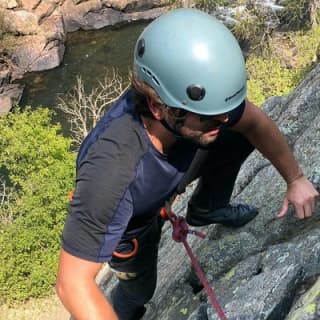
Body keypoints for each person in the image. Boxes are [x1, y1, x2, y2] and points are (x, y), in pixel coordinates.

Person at [56, 8, 319, 320]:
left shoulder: (192, 110)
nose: (223, 119)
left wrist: (296, 178)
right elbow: (72, 283)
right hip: (134, 222)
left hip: (168, 171)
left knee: (236, 134)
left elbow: (253, 123)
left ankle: (207, 207)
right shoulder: (113, 170)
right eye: (209, 116)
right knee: (140, 289)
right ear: (157, 107)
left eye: (225, 109)